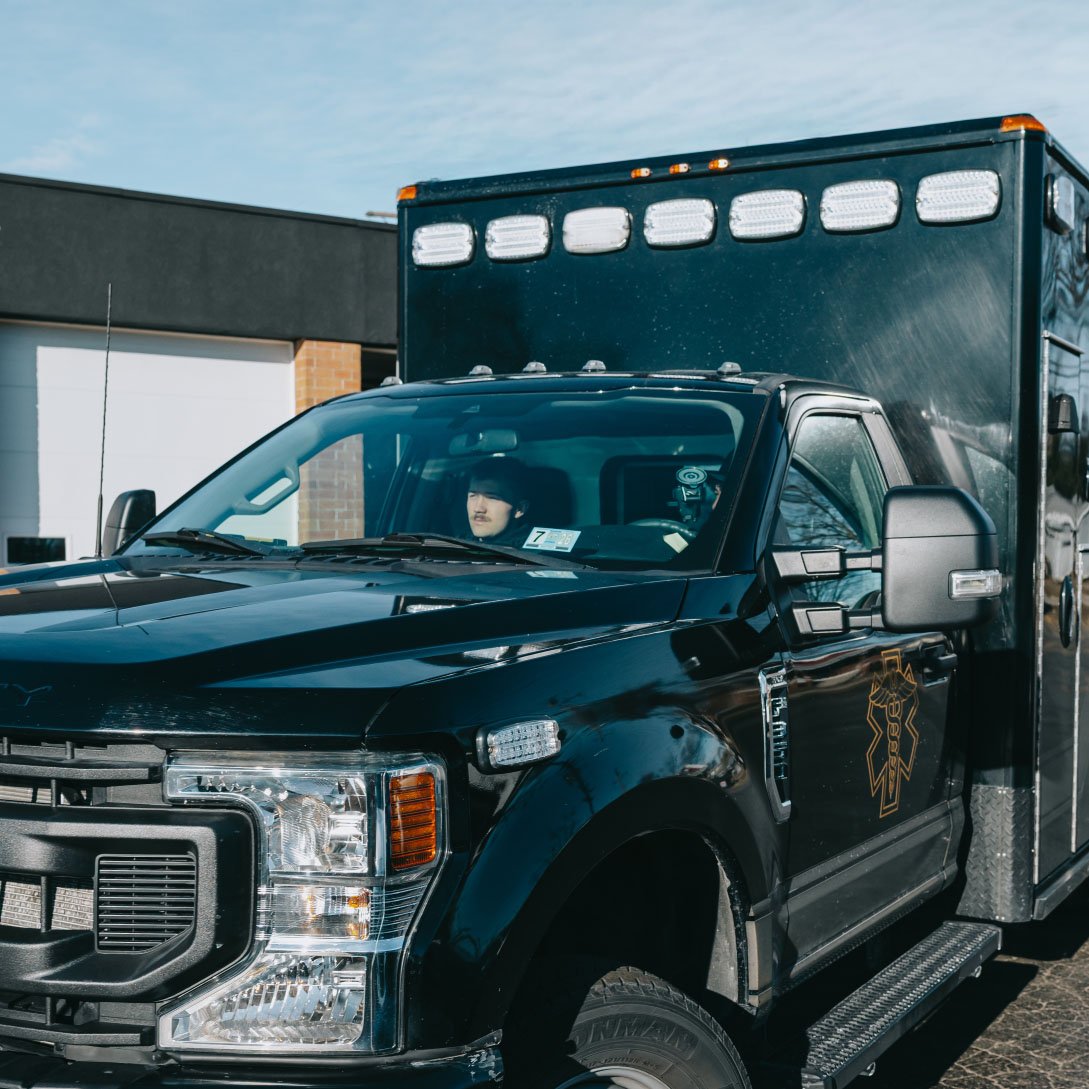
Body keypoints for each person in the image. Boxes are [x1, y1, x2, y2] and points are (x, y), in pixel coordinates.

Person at [465, 457, 530, 546]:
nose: (478, 508)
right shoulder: (460, 541)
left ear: (519, 509)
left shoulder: (534, 555)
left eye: (492, 498)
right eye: (473, 496)